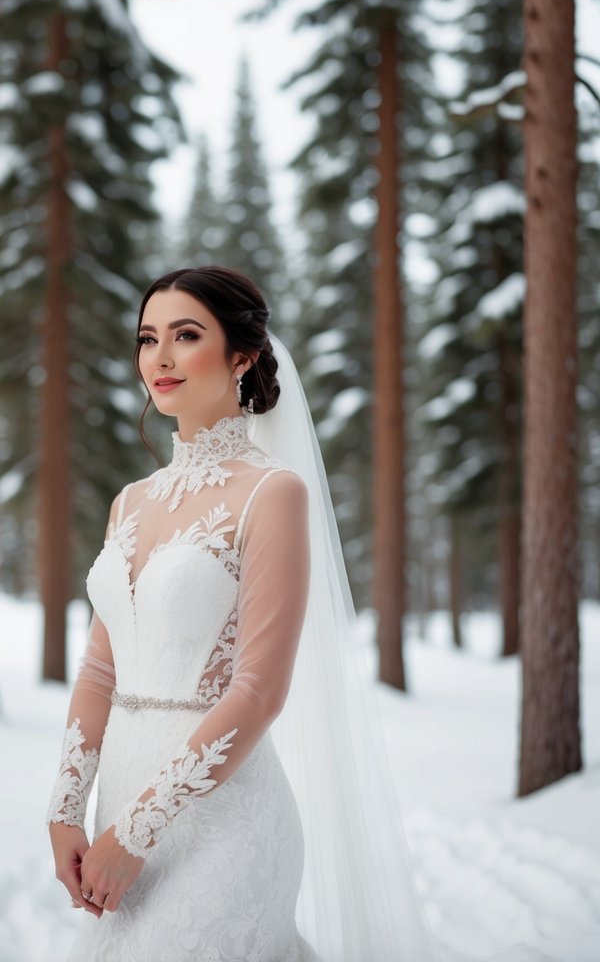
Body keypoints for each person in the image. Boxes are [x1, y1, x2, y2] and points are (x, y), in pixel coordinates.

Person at [46, 266, 440, 962]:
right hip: (116, 813)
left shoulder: (271, 494)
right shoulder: (129, 503)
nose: (159, 358)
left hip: (219, 825)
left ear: (243, 355)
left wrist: (137, 833)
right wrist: (66, 809)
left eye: (186, 335)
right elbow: (99, 669)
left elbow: (258, 692)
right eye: (146, 339)